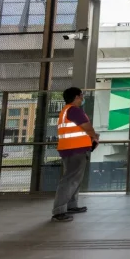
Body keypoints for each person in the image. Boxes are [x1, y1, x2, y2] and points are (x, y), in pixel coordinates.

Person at [51, 87, 99, 223]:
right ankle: (59, 211)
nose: (82, 98)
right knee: (70, 180)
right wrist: (94, 137)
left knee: (74, 179)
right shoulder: (74, 110)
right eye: (81, 96)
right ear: (76, 97)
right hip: (75, 149)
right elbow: (87, 127)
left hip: (70, 149)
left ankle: (71, 205)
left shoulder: (66, 111)